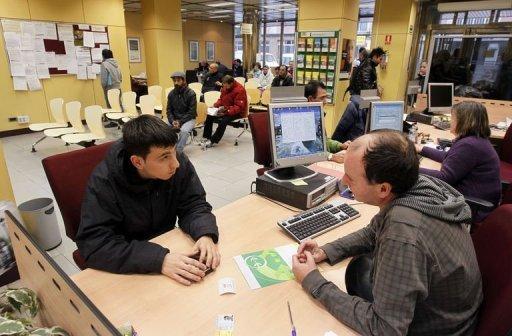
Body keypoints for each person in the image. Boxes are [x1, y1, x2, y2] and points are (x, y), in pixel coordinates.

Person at [292, 130, 482, 336]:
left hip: (436, 329)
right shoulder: (418, 186)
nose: (344, 181)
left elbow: (385, 328)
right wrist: (326, 251)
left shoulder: (403, 232)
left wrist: (313, 281)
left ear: (383, 189)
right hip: (453, 311)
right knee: (359, 268)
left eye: (351, 178)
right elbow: (373, 232)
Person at [76, 115, 220, 285]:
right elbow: (95, 244)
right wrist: (159, 260)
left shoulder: (177, 162)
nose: (176, 164)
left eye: (174, 151)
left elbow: (193, 203)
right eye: (165, 157)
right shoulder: (104, 182)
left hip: (166, 246)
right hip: (129, 264)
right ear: (138, 162)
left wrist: (204, 234)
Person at [417, 101, 501, 222]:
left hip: (471, 206)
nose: (450, 121)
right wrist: (421, 149)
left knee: (414, 194)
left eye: (453, 118)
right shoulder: (475, 140)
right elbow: (449, 156)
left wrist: (409, 168)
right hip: (471, 198)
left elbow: (444, 177)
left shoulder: (469, 145)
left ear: (464, 121)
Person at [304, 80, 350, 163]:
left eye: (326, 97)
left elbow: (323, 141)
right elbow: (308, 150)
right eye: (322, 98)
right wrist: (330, 156)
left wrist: (340, 145)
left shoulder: (317, 116)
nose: (325, 101)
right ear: (310, 99)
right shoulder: (303, 121)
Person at [202, 75, 248, 148]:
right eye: (224, 86)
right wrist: (215, 106)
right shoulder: (225, 88)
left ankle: (213, 140)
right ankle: (206, 137)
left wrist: (225, 111)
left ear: (232, 83)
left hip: (238, 112)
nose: (225, 88)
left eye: (227, 86)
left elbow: (239, 107)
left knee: (223, 121)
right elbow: (221, 99)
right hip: (226, 109)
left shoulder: (240, 90)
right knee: (210, 115)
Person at [166, 71, 197, 153]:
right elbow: (169, 110)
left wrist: (180, 122)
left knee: (184, 131)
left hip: (189, 119)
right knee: (163, 128)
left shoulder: (191, 93)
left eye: (178, 80)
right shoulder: (171, 94)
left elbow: (191, 112)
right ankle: (169, 148)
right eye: (174, 81)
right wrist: (172, 121)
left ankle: (178, 152)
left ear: (184, 81)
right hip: (175, 119)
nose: (176, 83)